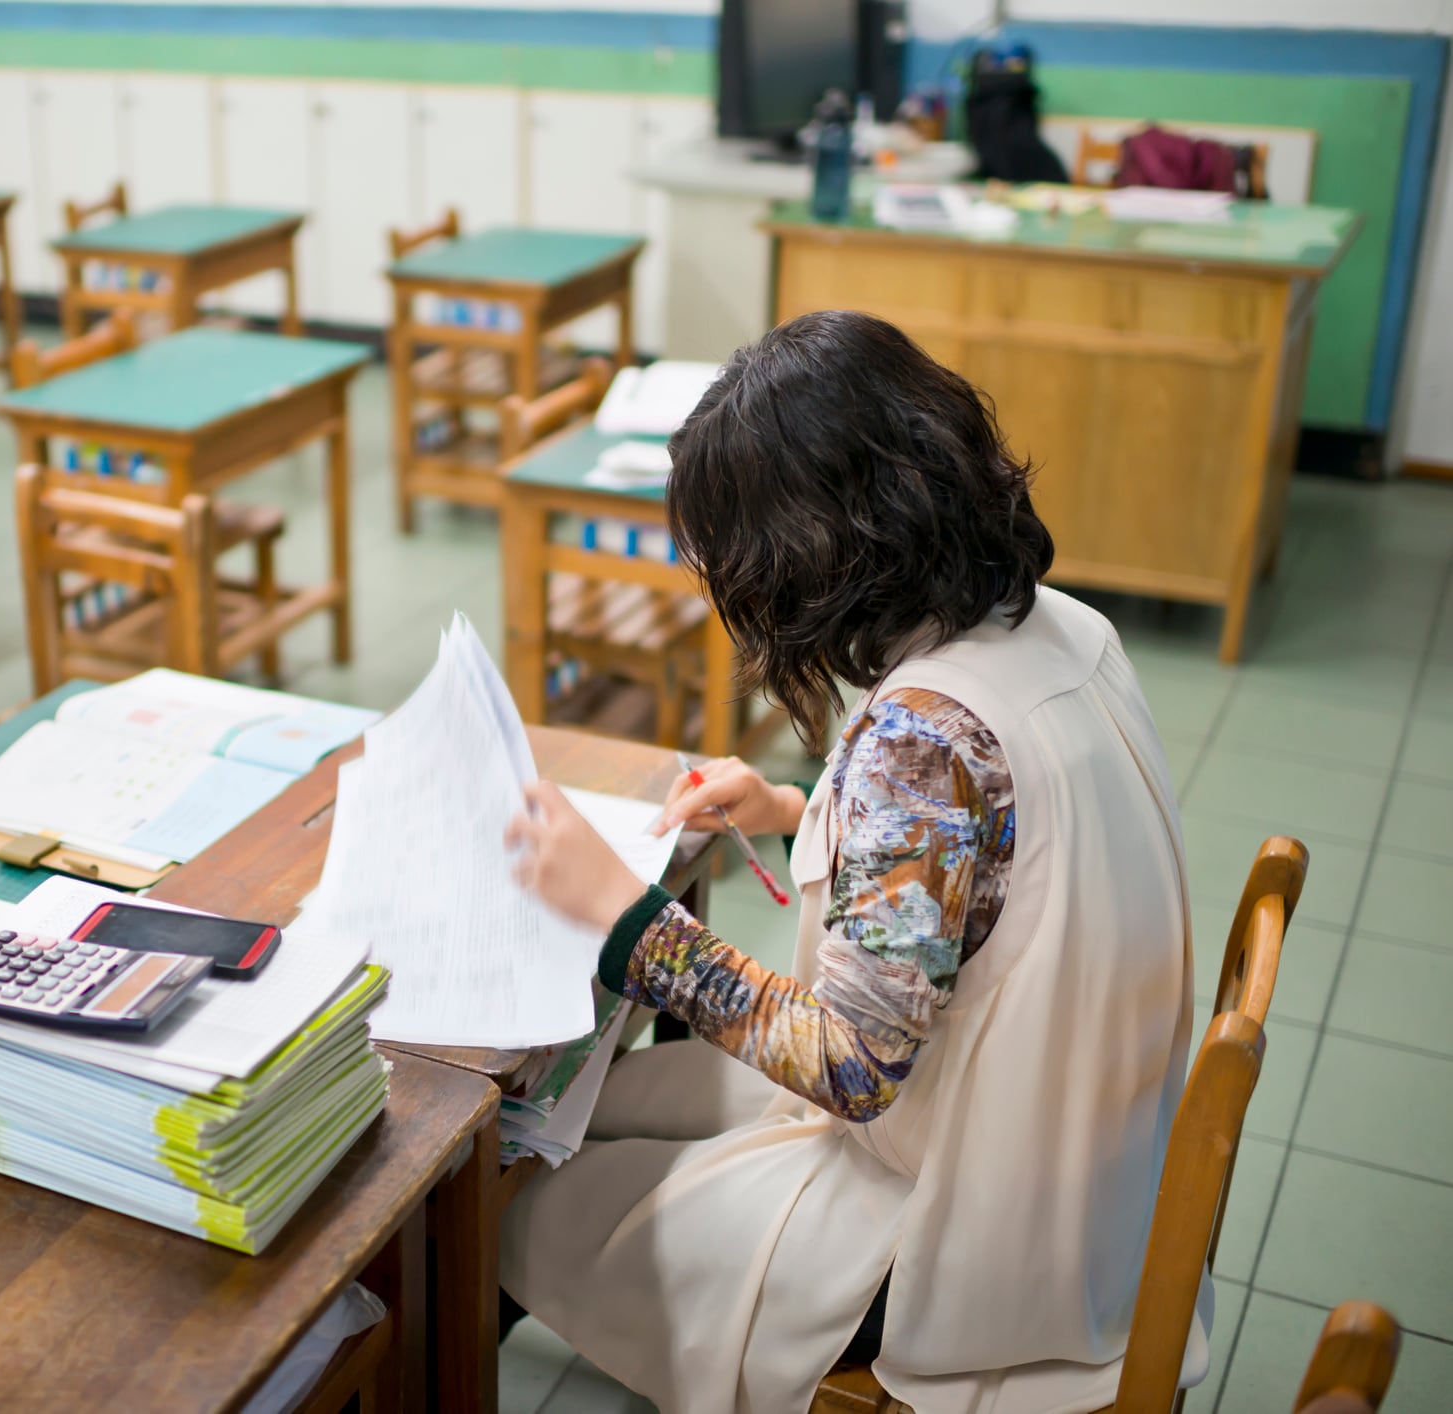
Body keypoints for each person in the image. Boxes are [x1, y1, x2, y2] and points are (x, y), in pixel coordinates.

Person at [501, 310, 1200, 1412]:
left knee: (528, 1204)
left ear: (809, 557)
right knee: (623, 1096)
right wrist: (797, 808)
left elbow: (851, 1067)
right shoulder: (1062, 628)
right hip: (1084, 1160)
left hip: (964, 1228)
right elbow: (990, 866)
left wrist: (630, 924)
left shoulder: (920, 746)